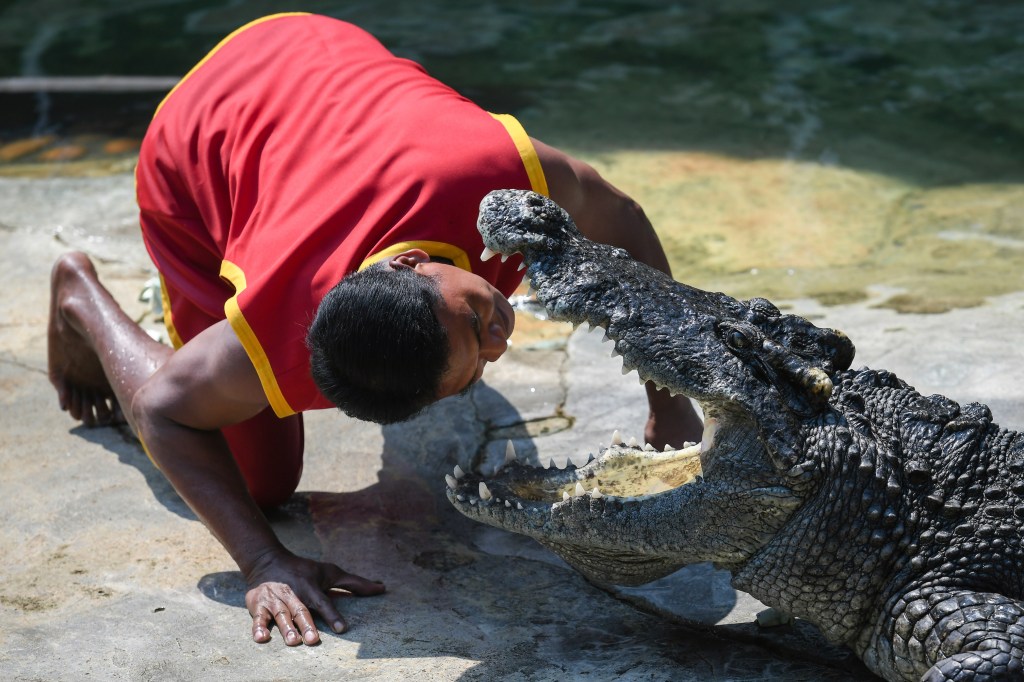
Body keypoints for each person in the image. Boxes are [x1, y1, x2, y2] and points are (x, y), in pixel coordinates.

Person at [47, 13, 702, 647]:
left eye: (477, 324)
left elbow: (625, 221)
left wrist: (670, 407)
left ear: (412, 264)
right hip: (198, 130)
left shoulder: (494, 176)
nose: (501, 335)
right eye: (479, 352)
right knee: (261, 487)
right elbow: (165, 411)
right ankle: (82, 297)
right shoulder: (268, 335)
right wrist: (262, 562)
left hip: (311, 48)